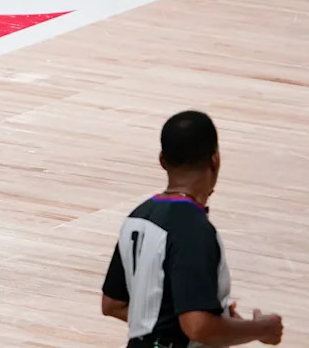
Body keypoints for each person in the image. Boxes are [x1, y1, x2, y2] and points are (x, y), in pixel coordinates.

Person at [100, 110, 284, 347]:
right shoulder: (193, 230)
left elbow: (113, 304)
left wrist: (222, 322)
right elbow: (198, 326)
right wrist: (262, 328)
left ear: (162, 160)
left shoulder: (137, 217)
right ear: (215, 160)